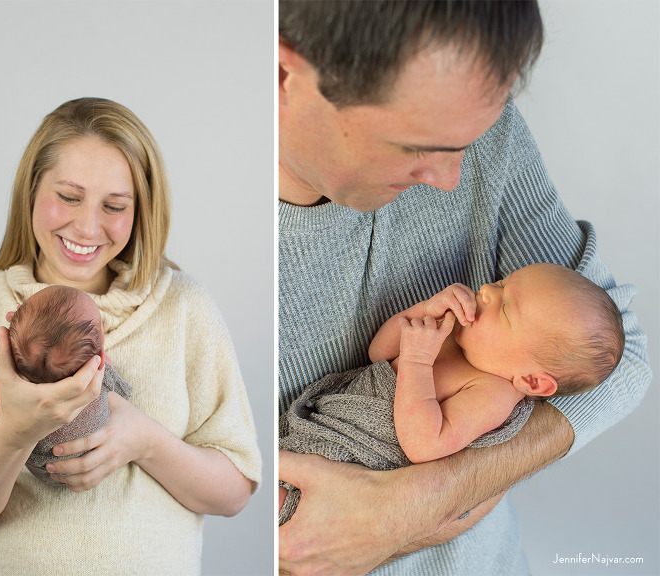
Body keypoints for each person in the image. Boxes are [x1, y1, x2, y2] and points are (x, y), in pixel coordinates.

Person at [277, 1, 650, 575]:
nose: (451, 180)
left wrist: (418, 506)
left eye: (464, 143)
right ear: (284, 78)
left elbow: (623, 361)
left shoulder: (479, 133)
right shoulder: (173, 242)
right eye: (418, 145)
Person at [0, 97, 262, 575]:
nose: (87, 226)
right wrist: (16, 431)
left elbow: (235, 491)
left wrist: (144, 441)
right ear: (31, 190)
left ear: (140, 210)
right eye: (69, 197)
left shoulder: (185, 306)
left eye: (114, 206)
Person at [279, 263, 625, 521]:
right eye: (503, 282)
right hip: (325, 422)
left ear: (532, 381)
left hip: (353, 460)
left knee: (286, 510)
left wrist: (417, 360)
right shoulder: (454, 338)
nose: (488, 289)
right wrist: (424, 313)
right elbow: (378, 355)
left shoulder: (492, 393)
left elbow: (423, 444)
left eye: (504, 307)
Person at [0, 284, 133, 484]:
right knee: (106, 381)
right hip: (94, 452)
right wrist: (98, 358)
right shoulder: (94, 374)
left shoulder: (11, 388)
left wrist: (5, 377)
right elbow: (103, 364)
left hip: (38, 464)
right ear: (99, 355)